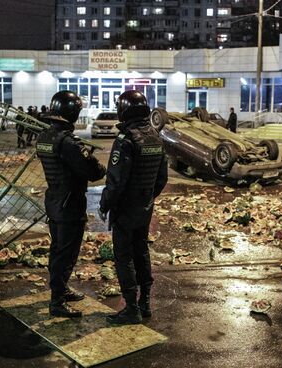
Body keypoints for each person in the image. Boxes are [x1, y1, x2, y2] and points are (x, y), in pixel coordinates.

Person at [99, 90, 168, 325]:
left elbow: (115, 181)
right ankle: (145, 303)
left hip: (125, 209)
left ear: (123, 110)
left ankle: (131, 308)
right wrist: (147, 197)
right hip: (145, 208)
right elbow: (162, 178)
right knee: (142, 251)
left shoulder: (125, 140)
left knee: (124, 256)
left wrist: (104, 204)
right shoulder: (156, 138)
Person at [36, 91, 106, 318]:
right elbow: (93, 172)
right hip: (70, 204)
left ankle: (61, 289)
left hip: (54, 200)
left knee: (58, 249)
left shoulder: (44, 138)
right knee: (65, 254)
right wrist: (92, 159)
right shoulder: (68, 142)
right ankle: (56, 302)